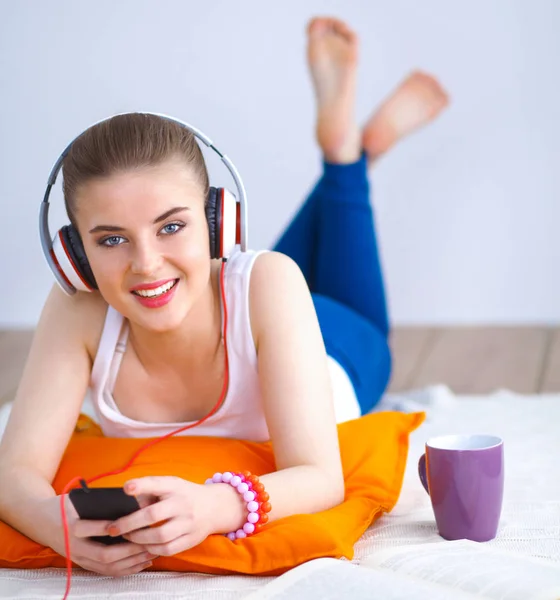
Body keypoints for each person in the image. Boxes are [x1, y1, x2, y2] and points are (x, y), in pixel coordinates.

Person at [0, 17, 448, 577]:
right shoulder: (79, 306)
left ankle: (345, 159)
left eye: (171, 226)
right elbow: (12, 473)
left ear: (219, 226)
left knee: (285, 278)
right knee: (246, 275)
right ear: (75, 256)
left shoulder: (268, 281)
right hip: (243, 301)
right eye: (112, 239)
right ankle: (351, 156)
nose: (145, 263)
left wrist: (217, 504)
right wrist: (53, 523)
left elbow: (320, 476)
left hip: (339, 348)